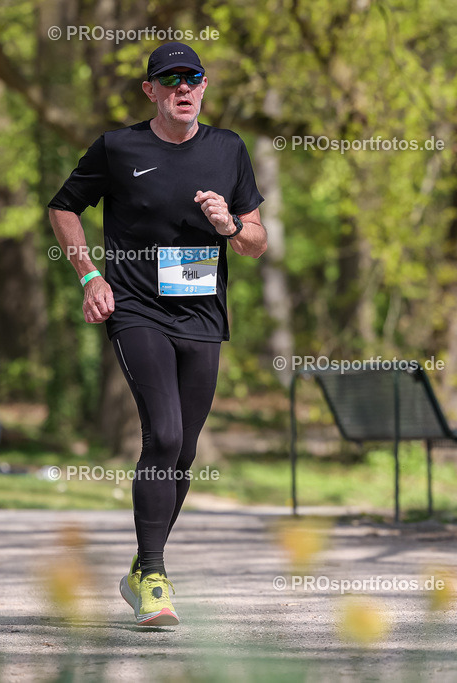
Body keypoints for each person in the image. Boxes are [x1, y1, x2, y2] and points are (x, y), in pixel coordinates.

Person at [48, 41, 267, 626]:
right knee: (163, 435)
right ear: (150, 90)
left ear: (203, 86)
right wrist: (89, 273)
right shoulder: (118, 148)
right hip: (136, 308)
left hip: (201, 312)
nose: (183, 90)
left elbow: (256, 240)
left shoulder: (228, 149)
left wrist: (230, 225)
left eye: (192, 79)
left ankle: (143, 570)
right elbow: (63, 207)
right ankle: (155, 573)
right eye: (169, 81)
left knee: (186, 451)